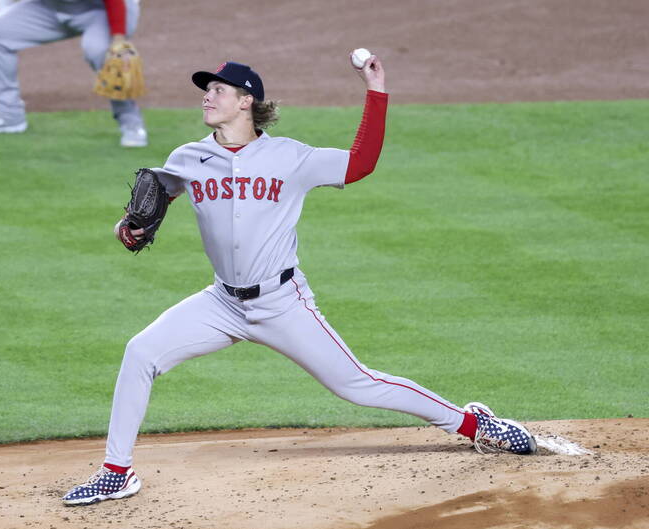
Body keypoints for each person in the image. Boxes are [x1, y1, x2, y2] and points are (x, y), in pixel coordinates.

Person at [61, 56, 537, 506]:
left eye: (218, 90)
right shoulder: (188, 158)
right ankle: (117, 471)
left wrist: (375, 90)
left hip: (282, 303)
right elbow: (150, 204)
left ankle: (474, 425)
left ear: (246, 101)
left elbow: (360, 163)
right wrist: (127, 228)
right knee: (140, 352)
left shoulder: (291, 157)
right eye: (207, 90)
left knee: (358, 384)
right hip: (221, 303)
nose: (207, 96)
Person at [0, 0, 148, 147]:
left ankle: (131, 122)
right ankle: (8, 115)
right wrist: (6, 17)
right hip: (50, 7)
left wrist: (118, 38)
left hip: (102, 10)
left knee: (102, 52)